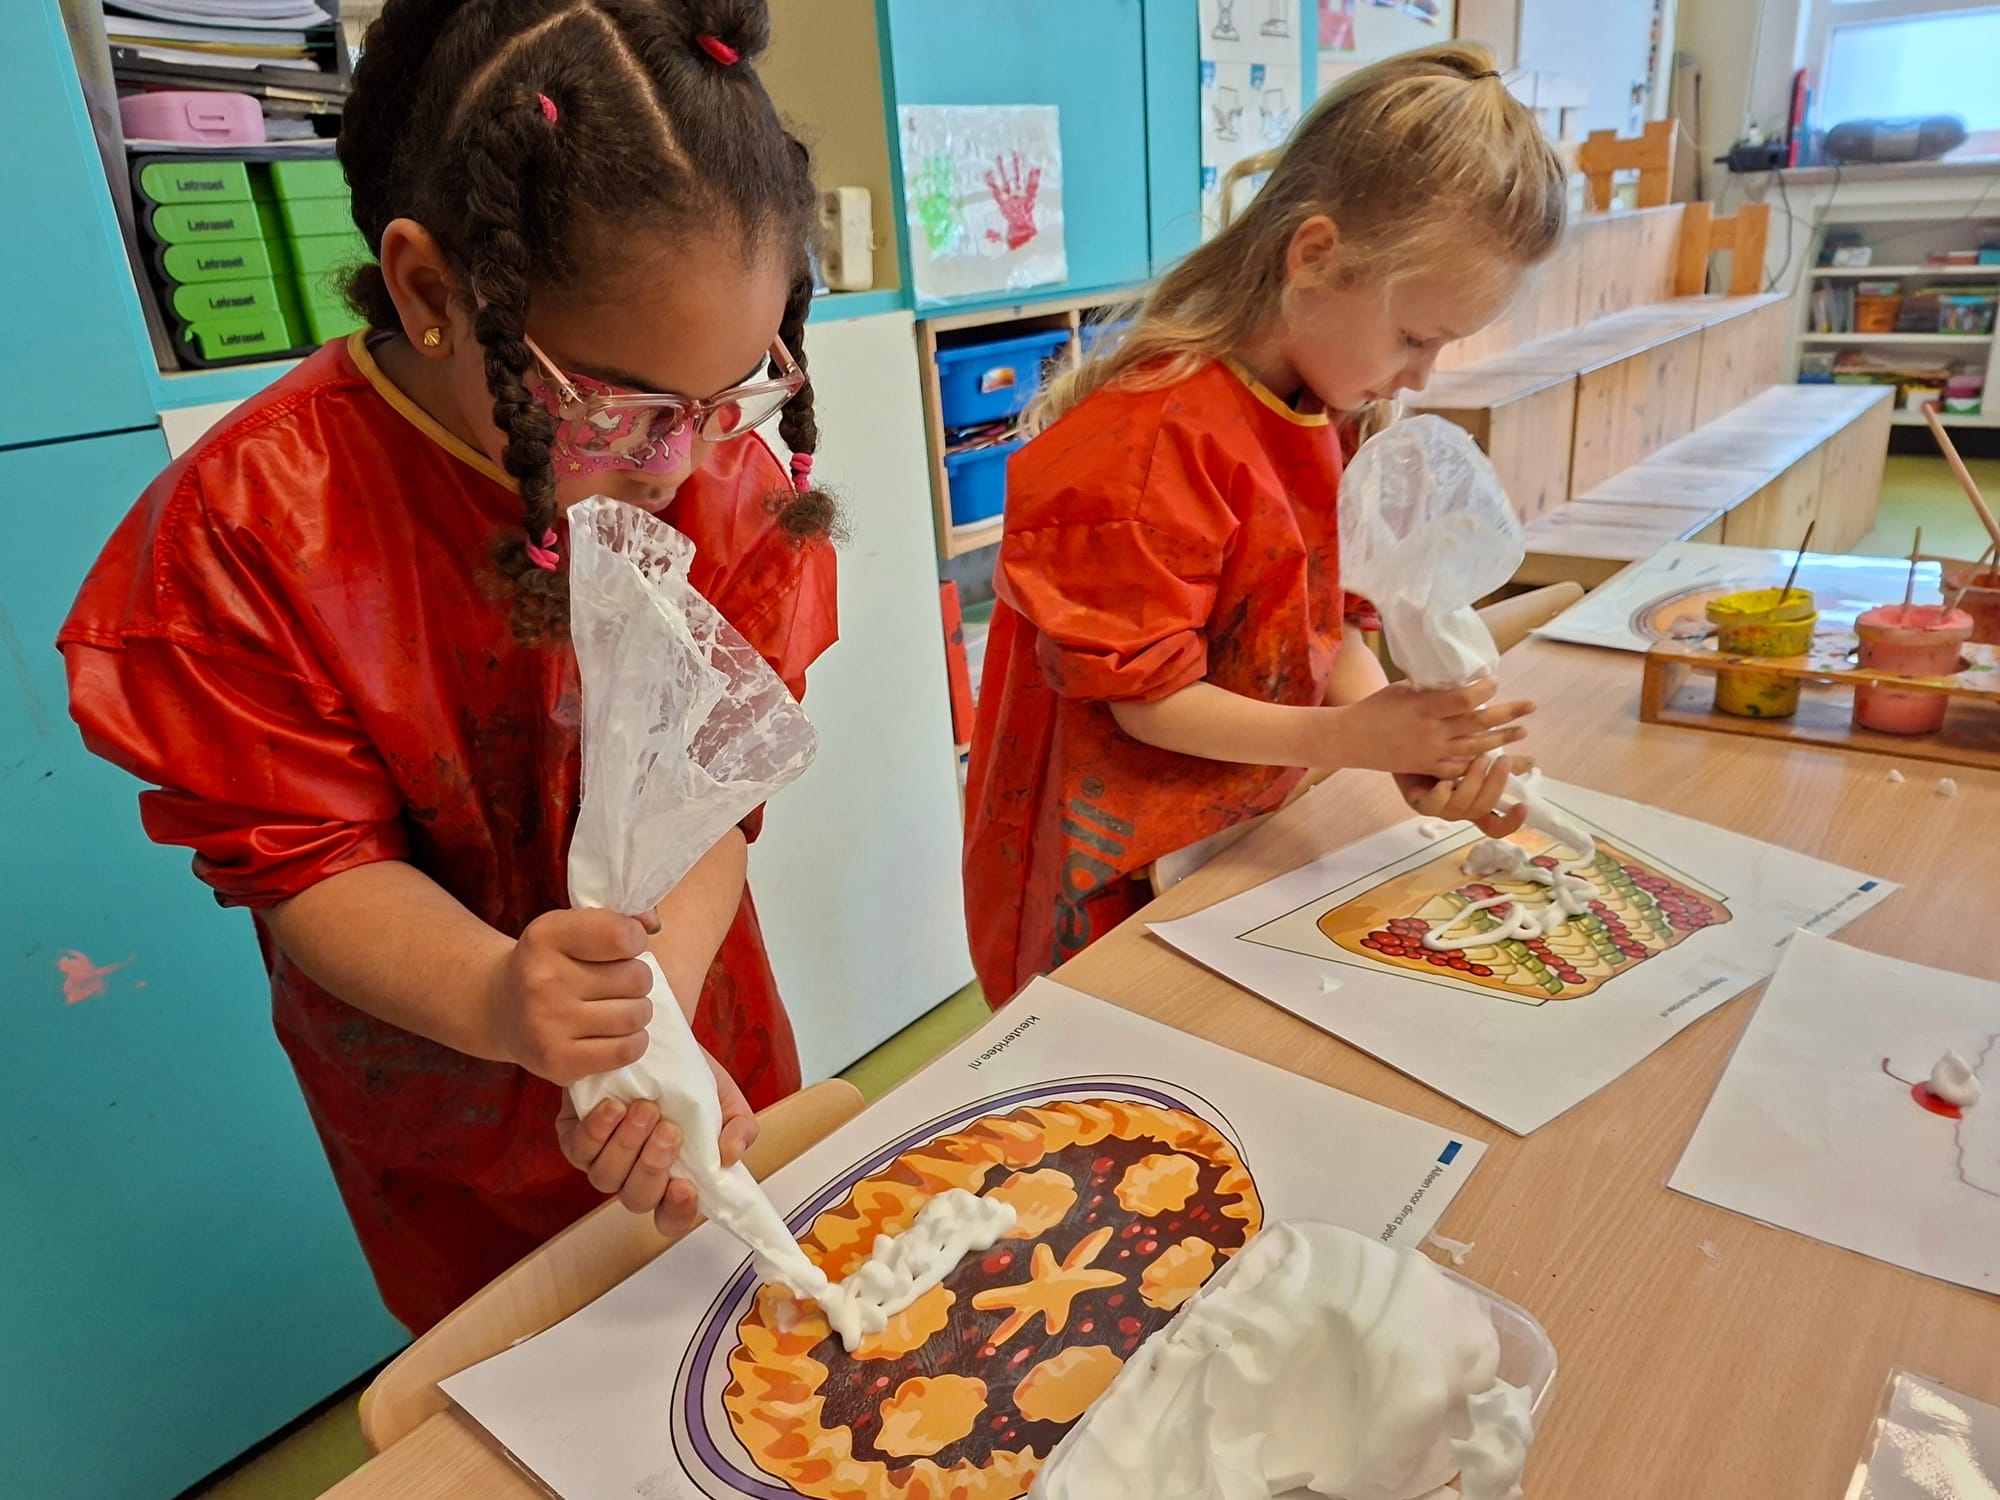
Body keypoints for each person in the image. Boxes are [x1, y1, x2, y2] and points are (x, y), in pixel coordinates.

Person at [59, 0, 839, 1333]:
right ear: (429, 291)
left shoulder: (718, 480)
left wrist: (655, 1012)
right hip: (445, 1087)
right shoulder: (254, 527)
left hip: (690, 1013)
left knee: (749, 1330)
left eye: (731, 399)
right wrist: (504, 999)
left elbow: (714, 785)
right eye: (618, 406)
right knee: (530, 1391)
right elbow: (310, 864)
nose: (682, 465)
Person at [963, 43, 1568, 1006]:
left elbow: (1328, 632)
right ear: (1315, 255)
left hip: (1230, 839)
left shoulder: (1325, 406)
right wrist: (1358, 741)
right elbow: (1148, 702)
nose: (1420, 377)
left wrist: (1403, 743)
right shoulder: (1150, 440)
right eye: (1414, 337)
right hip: (1106, 881)